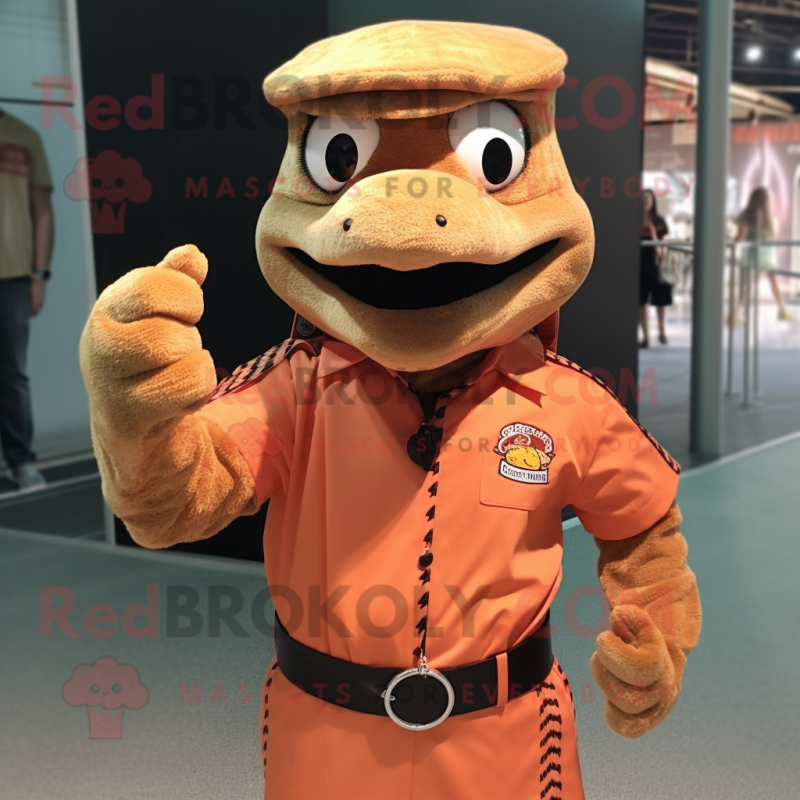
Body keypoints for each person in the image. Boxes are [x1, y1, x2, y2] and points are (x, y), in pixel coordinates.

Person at [0, 108, 54, 490]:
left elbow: (42, 211)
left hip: (14, 278)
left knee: (12, 374)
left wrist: (40, 274)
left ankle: (20, 462)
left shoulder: (24, 135)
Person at [736, 186, 793, 322]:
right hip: (767, 250)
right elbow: (773, 234)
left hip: (752, 249)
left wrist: (733, 241)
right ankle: (782, 310)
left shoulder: (747, 213)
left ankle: (739, 312)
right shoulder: (769, 214)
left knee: (747, 283)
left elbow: (741, 234)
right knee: (773, 281)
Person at [639, 188, 671, 347]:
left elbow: (664, 241)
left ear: (653, 201)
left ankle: (662, 330)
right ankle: (645, 337)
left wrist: (661, 254)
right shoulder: (635, 220)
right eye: (643, 198)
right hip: (640, 263)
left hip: (657, 262)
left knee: (661, 298)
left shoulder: (659, 221)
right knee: (641, 300)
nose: (646, 201)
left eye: (648, 198)